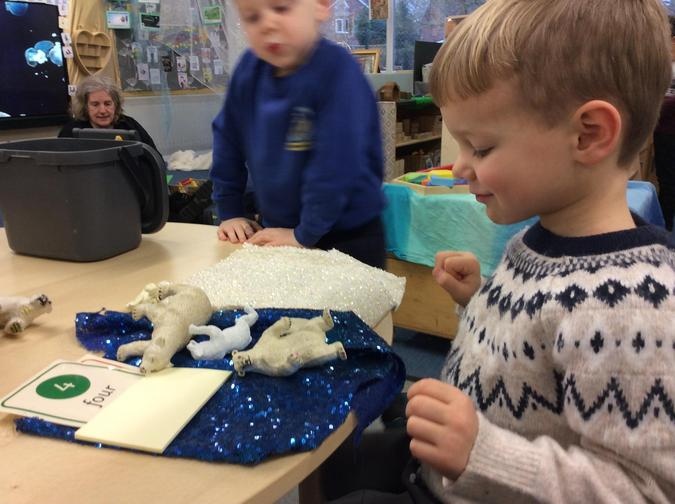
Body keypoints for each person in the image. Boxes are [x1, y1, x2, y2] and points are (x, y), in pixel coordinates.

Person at [322, 0, 675, 502]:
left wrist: (483, 454)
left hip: (477, 481)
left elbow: (645, 491)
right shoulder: (537, 241)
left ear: (588, 134)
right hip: (444, 467)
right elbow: (538, 349)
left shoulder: (632, 310)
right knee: (337, 461)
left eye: (481, 148)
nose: (460, 168)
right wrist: (479, 301)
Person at [210, 0, 386, 268]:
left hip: (348, 236)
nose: (267, 24)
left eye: (281, 8)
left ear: (320, 6)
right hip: (280, 231)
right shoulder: (248, 70)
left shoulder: (337, 72)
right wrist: (230, 210)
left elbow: (336, 164)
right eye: (252, 17)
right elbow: (227, 139)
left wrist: (304, 234)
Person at [58, 76, 159, 153]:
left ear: (116, 104)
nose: (102, 110)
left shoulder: (130, 125)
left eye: (107, 103)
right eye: (95, 104)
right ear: (85, 106)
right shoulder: (70, 132)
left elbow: (154, 158)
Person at [653, 15, 675, 231]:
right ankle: (666, 229)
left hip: (666, 129)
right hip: (664, 133)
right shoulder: (661, 65)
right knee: (667, 184)